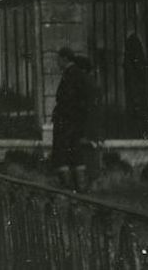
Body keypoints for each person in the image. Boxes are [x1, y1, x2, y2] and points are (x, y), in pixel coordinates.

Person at [52, 47, 98, 192]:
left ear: (65, 58)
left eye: (58, 59)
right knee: (76, 153)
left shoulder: (70, 74)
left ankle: (67, 188)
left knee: (62, 153)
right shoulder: (78, 74)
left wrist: (61, 116)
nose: (57, 62)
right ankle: (81, 187)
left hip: (66, 122)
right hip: (76, 122)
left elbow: (67, 100)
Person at [124, 31, 148, 137]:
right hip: (139, 94)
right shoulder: (140, 63)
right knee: (141, 117)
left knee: (137, 117)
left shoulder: (130, 63)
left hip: (135, 95)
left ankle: (139, 134)